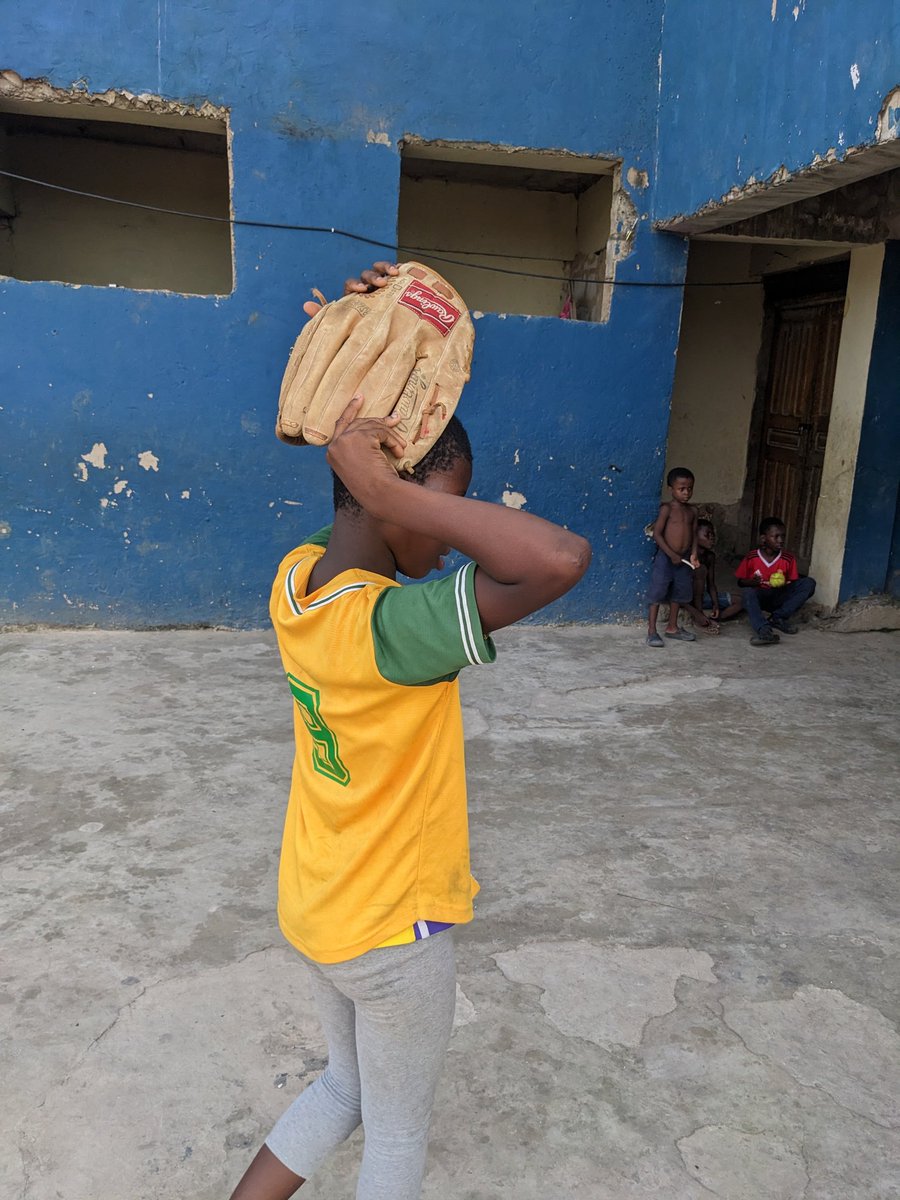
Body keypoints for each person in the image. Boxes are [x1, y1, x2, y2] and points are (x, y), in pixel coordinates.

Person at [229, 263, 591, 1200]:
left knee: (344, 1085)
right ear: (387, 498)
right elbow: (558, 560)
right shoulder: (398, 631)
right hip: (393, 931)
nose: (448, 539)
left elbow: (388, 529)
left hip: (316, 908)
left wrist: (382, 337)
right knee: (395, 1140)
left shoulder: (297, 581)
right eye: (446, 508)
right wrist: (400, 497)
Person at [735, 516, 816, 646]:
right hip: (760, 597)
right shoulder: (752, 557)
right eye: (776, 536)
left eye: (783, 536)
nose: (781, 540)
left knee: (809, 583)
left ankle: (778, 618)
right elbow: (740, 582)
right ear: (763, 539)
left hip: (780, 597)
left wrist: (784, 583)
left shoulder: (788, 558)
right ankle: (764, 631)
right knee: (748, 593)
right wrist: (752, 582)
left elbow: (793, 582)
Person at [646, 467, 700, 647]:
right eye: (681, 489)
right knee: (657, 592)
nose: (686, 493)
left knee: (679, 592)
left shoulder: (693, 511)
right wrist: (671, 554)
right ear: (671, 489)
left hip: (683, 560)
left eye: (690, 489)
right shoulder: (667, 509)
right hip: (666, 558)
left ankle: (672, 627)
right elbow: (657, 535)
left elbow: (693, 535)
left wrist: (693, 554)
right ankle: (652, 631)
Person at [683, 518, 744, 634]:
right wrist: (697, 613)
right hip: (685, 597)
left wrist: (716, 605)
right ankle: (699, 617)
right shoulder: (686, 555)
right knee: (700, 570)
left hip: (701, 596)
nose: (712, 538)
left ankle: (713, 618)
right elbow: (676, 594)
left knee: (741, 601)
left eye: (713, 534)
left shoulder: (709, 556)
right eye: (707, 534)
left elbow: (711, 584)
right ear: (695, 536)